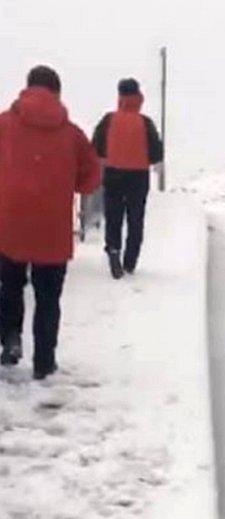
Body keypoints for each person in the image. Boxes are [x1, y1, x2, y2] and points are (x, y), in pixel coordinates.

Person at [0, 66, 101, 380]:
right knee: (47, 297)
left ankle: (9, 340)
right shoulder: (72, 134)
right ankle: (44, 361)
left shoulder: (3, 124)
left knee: (8, 286)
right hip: (52, 229)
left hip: (8, 222)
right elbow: (91, 179)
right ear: (57, 93)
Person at [92, 78, 163, 279]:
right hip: (138, 177)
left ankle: (114, 251)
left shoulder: (109, 120)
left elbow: (96, 147)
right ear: (139, 96)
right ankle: (130, 261)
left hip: (113, 173)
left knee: (113, 216)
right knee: (135, 218)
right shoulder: (145, 122)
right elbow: (156, 153)